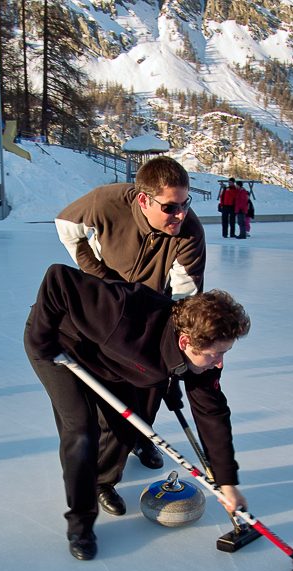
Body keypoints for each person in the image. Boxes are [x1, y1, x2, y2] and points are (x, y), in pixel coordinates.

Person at [24, 263, 250, 560]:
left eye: (224, 353)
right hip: (60, 347)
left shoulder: (202, 361)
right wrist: (43, 338)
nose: (219, 362)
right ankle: (80, 524)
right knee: (81, 430)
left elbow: (213, 415)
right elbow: (59, 277)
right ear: (186, 342)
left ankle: (101, 481)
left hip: (113, 363)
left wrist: (226, 481)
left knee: (129, 426)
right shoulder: (123, 313)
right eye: (214, 354)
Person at [55, 156, 206, 470]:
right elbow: (67, 226)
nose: (180, 213)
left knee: (151, 377)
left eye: (185, 203)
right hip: (103, 301)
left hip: (153, 306)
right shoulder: (106, 202)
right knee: (105, 377)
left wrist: (176, 355)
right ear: (143, 200)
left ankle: (141, 436)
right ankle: (105, 449)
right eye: (170, 207)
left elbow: (184, 298)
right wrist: (100, 278)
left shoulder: (189, 233)